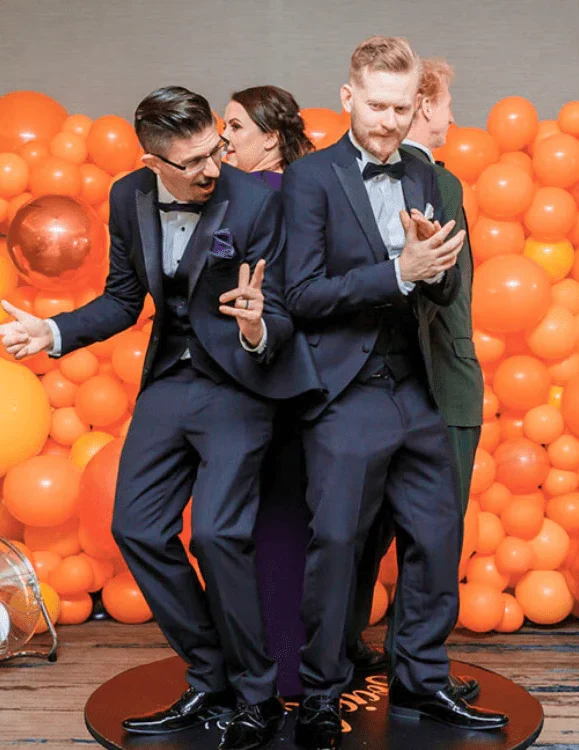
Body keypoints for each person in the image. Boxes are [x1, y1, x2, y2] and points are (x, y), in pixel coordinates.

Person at [0, 86, 323, 750]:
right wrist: (54, 331)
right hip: (171, 380)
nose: (211, 168)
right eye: (192, 161)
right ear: (152, 163)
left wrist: (258, 326)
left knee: (218, 535)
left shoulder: (257, 200)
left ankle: (257, 695)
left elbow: (284, 309)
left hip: (238, 384)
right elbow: (123, 299)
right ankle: (209, 677)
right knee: (135, 527)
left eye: (216, 149)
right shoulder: (129, 197)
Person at [282, 36, 508, 748]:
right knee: (338, 543)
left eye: (401, 108)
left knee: (437, 538)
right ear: (348, 97)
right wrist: (397, 271)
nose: (387, 121)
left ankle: (420, 678)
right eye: (376, 106)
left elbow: (439, 289)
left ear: (416, 106)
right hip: (347, 391)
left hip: (417, 385)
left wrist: (432, 269)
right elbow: (300, 293)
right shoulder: (310, 178)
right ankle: (321, 693)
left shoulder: (423, 173)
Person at [347, 58, 484, 687]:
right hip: (436, 380)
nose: (452, 116)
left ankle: (346, 646)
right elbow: (436, 297)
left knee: (365, 524)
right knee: (433, 532)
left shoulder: (386, 178)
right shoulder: (435, 181)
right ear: (425, 106)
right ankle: (413, 665)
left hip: (379, 384)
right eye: (447, 104)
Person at [223, 85, 315, 697]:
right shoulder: (293, 193)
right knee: (280, 521)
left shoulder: (262, 195)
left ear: (271, 138)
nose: (224, 137)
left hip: (264, 381)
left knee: (268, 523)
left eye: (235, 126)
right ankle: (285, 665)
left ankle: (276, 670)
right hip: (284, 381)